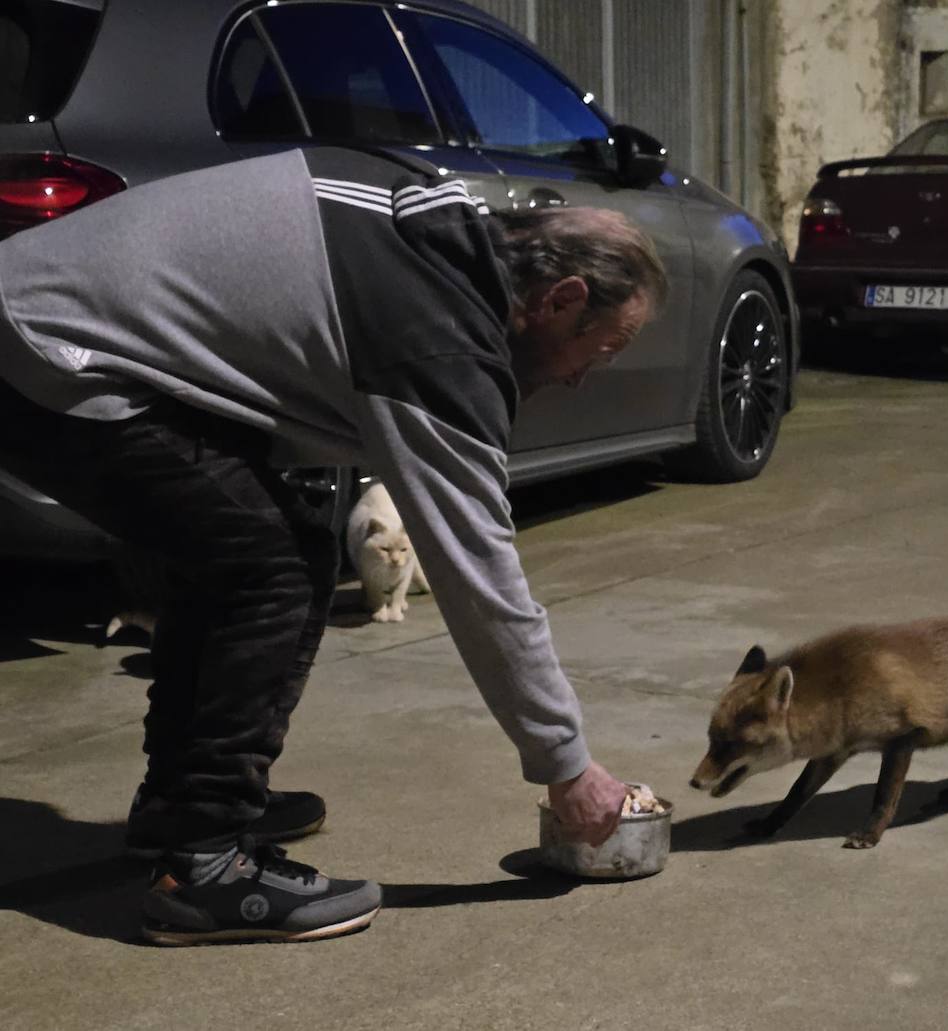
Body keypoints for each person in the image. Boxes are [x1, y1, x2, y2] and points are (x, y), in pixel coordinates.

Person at [0, 146, 668, 946]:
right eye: (599, 351)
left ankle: (188, 805)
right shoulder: (438, 338)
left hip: (44, 316)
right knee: (268, 567)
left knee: (250, 549)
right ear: (562, 299)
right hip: (47, 352)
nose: (581, 379)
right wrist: (569, 767)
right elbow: (480, 578)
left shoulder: (438, 230)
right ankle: (204, 864)